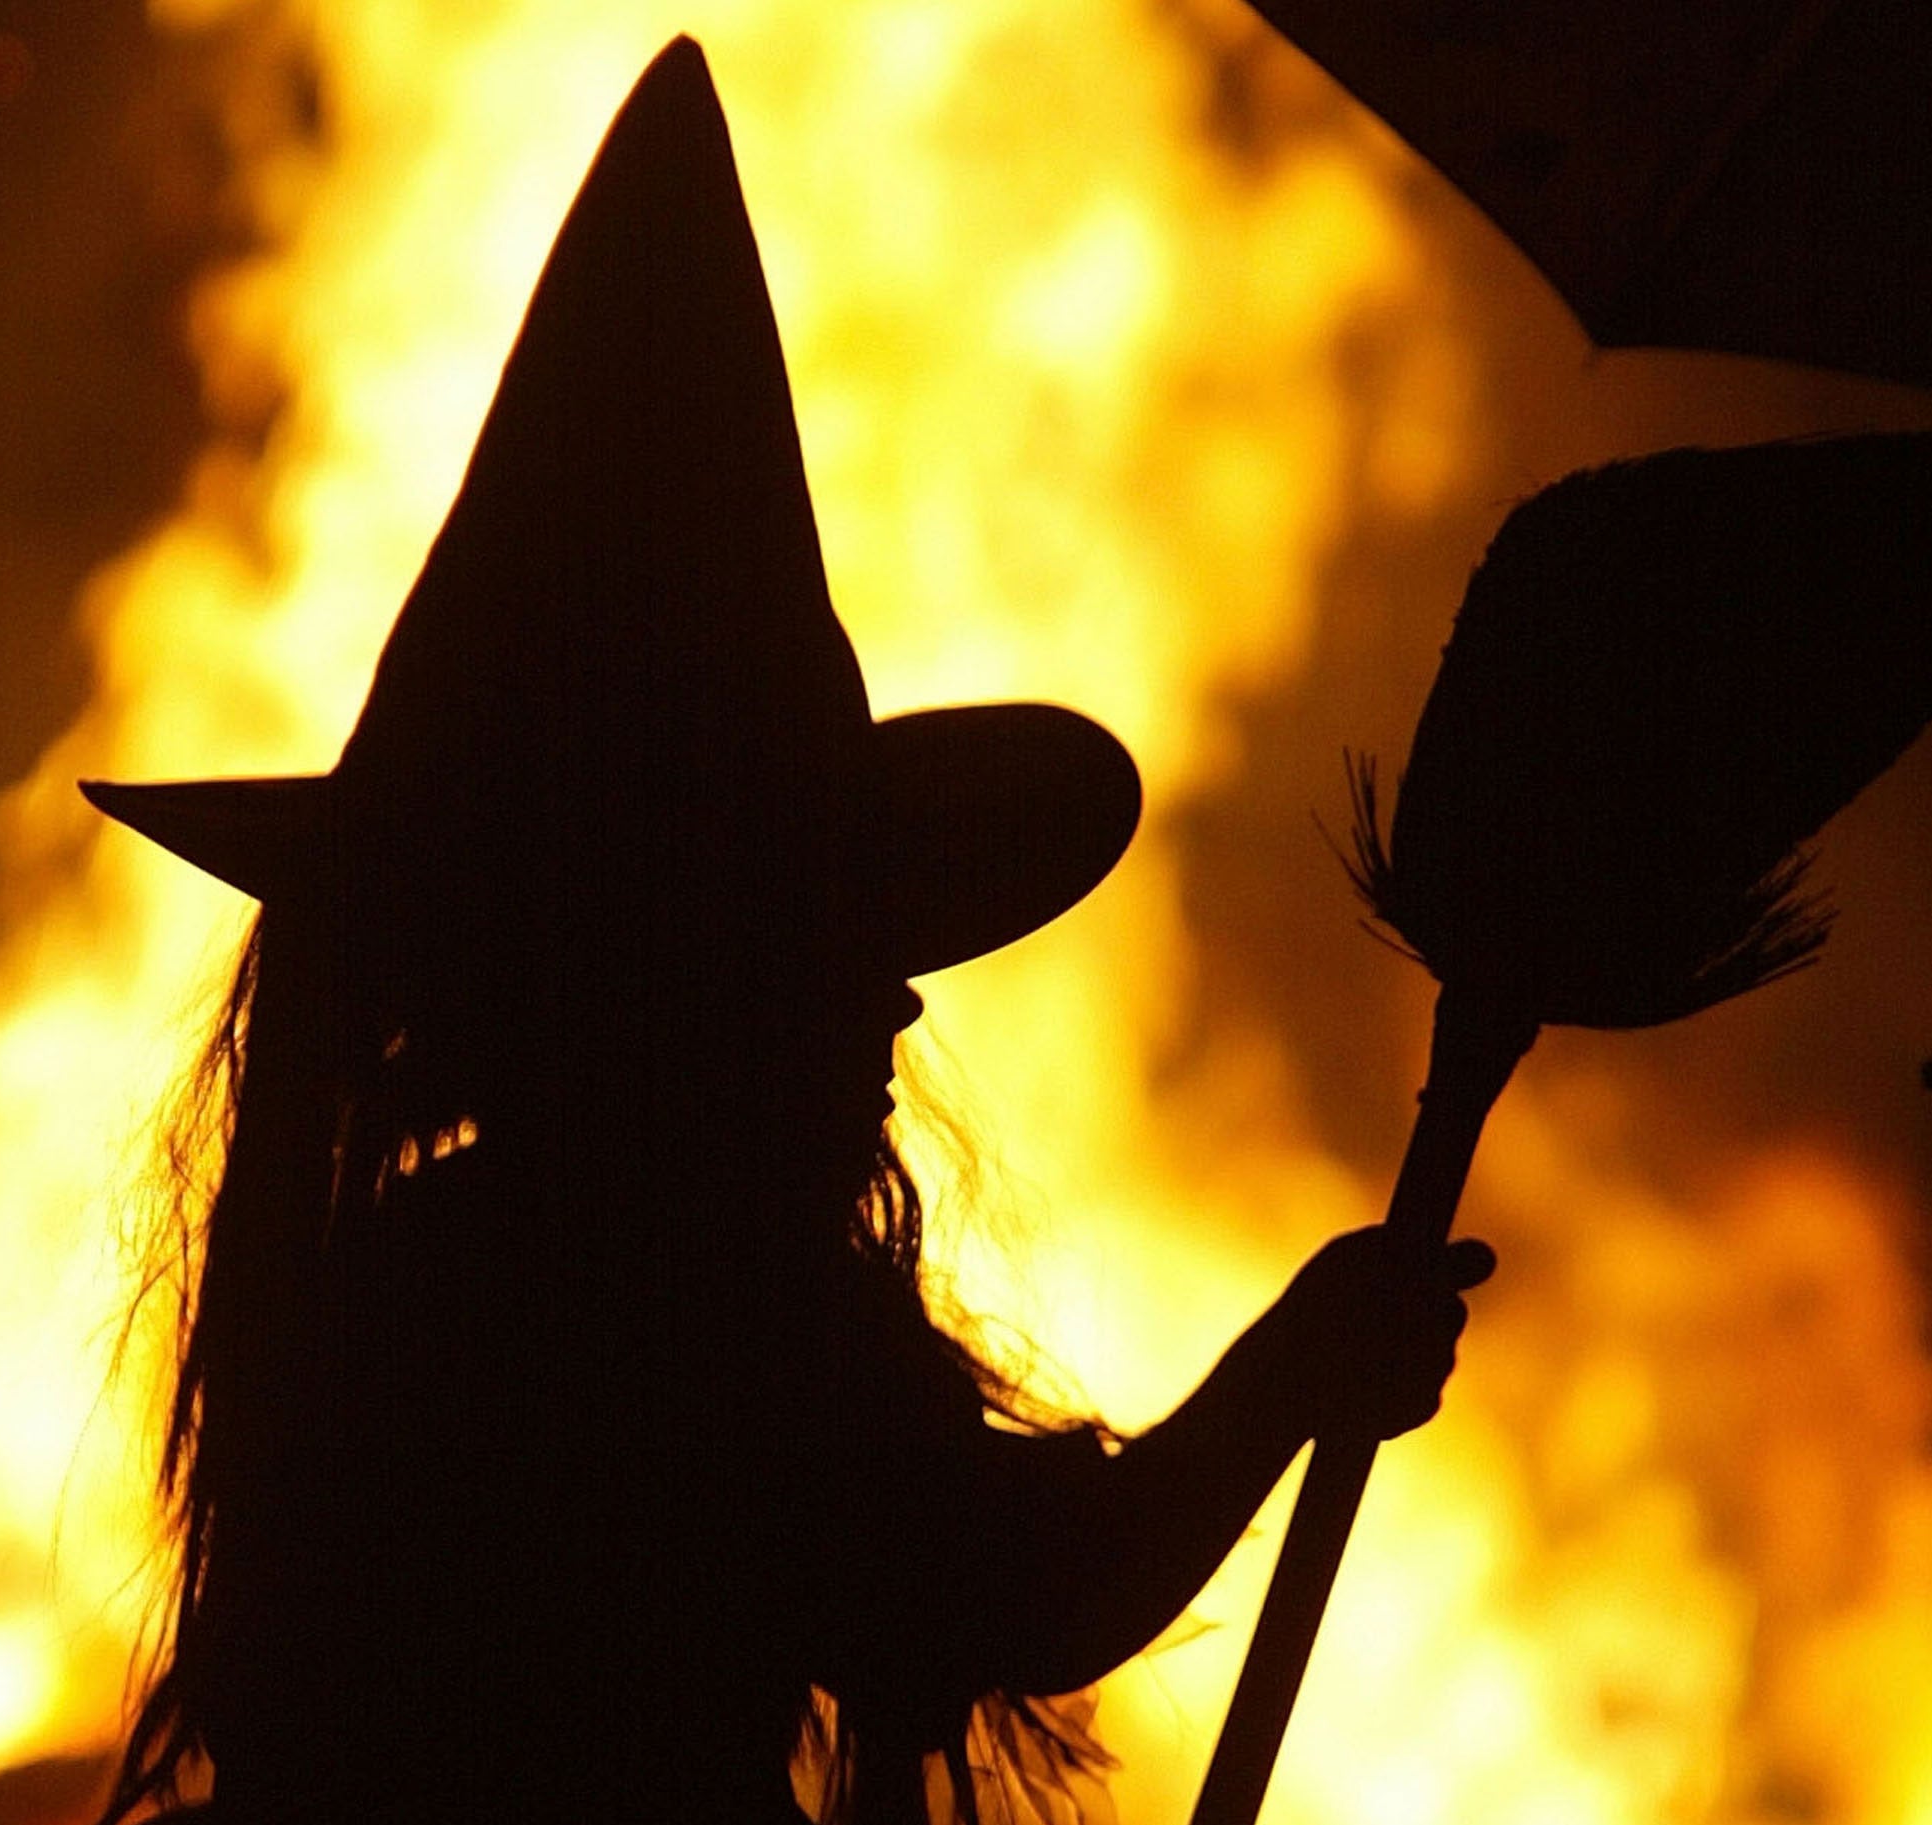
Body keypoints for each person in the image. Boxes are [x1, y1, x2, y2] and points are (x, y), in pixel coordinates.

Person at [86, 39, 1491, 1825]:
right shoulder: (659, 1309)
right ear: (667, 974)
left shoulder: (438, 1276)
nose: (892, 1000)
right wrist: (1296, 1365)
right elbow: (1004, 1584)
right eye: (815, 940)